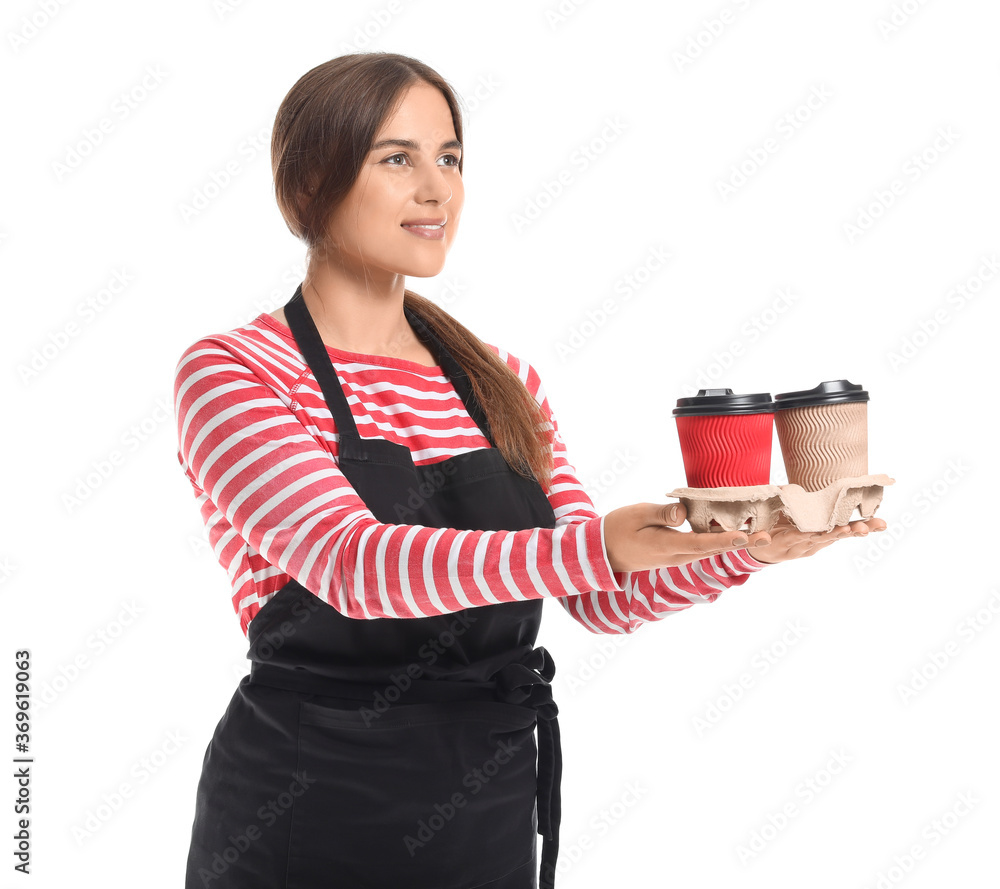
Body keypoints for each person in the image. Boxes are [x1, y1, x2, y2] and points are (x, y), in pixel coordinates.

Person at [172, 51, 886, 889]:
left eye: (451, 158)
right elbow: (350, 565)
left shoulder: (496, 380)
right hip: (306, 812)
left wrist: (750, 546)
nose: (437, 189)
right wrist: (596, 548)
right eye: (396, 158)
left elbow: (599, 594)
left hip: (487, 813)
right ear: (311, 180)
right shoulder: (234, 371)